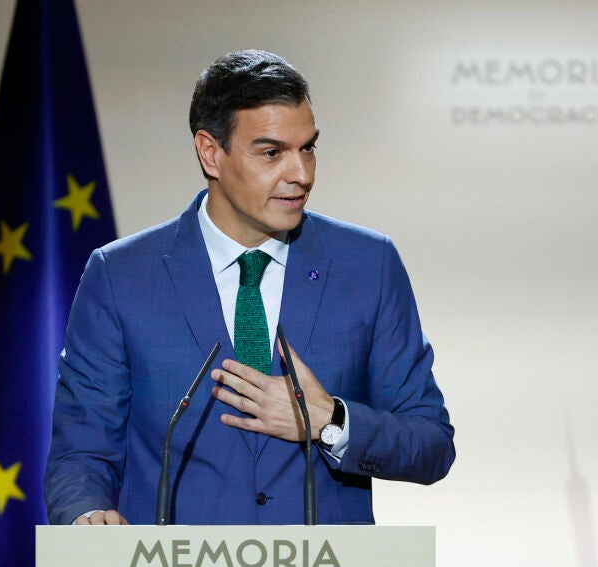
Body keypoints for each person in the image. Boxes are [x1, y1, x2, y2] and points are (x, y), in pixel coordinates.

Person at [44, 49, 454, 526]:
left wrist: (330, 421)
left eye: (308, 148)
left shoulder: (368, 265)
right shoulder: (120, 276)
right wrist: (88, 515)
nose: (301, 174)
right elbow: (80, 454)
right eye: (272, 152)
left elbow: (431, 443)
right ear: (210, 152)